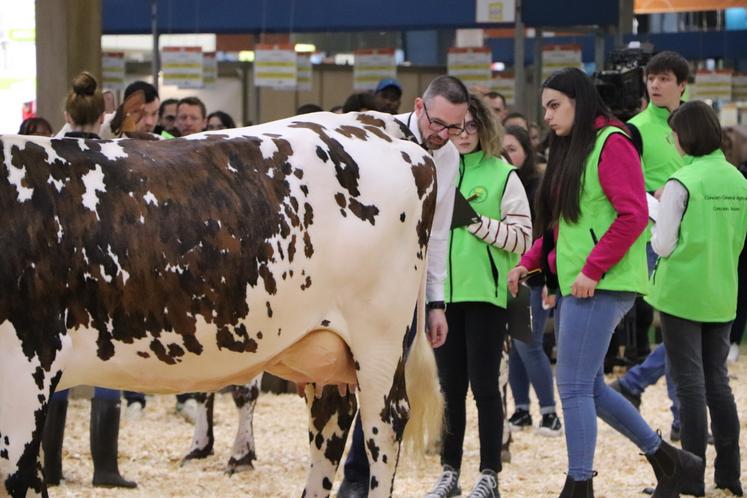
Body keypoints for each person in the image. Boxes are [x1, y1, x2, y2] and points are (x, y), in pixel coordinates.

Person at [507, 67, 702, 497]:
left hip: (602, 282)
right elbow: (565, 225)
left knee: (574, 386)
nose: (548, 117)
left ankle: (580, 483)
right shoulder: (576, 148)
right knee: (589, 387)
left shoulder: (611, 142)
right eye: (545, 109)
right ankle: (669, 461)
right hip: (584, 280)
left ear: (580, 100)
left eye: (555, 106)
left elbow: (633, 214)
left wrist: (593, 269)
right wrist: (529, 261)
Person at [337, 75, 469, 498]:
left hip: (401, 287)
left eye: (454, 127)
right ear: (418, 106)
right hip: (347, 280)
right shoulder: (372, 132)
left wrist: (435, 302)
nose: (442, 134)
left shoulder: (448, 157)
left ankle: (359, 478)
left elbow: (440, 232)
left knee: (384, 385)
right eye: (437, 123)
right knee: (334, 379)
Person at [424, 94, 531, 498]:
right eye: (456, 126)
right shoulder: (436, 170)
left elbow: (522, 237)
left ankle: (489, 474)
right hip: (443, 299)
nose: (463, 134)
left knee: (485, 387)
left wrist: (475, 223)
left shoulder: (504, 174)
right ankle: (448, 472)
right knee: (448, 389)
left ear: (484, 127)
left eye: (471, 126)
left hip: (487, 296)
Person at [645, 101, 746, 497]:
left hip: (682, 293)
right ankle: (730, 477)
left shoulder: (681, 181)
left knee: (689, 387)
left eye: (673, 134)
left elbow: (664, 244)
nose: (672, 140)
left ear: (684, 137)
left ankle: (690, 480)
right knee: (718, 384)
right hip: (722, 290)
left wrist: (656, 214)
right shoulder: (738, 180)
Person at [42, 71, 137, 489]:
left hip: (55, 269)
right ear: (103, 115)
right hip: (104, 267)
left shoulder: (44, 153)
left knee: (53, 365)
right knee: (106, 361)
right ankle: (105, 467)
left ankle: (53, 467)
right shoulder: (114, 155)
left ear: (65, 113)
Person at [608, 50, 691, 440]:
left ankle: (636, 383)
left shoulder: (697, 122)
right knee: (679, 325)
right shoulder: (636, 128)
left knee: (681, 329)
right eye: (651, 78)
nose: (655, 85)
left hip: (697, 237)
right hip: (655, 238)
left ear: (682, 85)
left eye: (664, 79)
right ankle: (681, 416)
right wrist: (655, 196)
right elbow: (624, 187)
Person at [502, 125, 562, 437]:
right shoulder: (498, 182)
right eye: (501, 149)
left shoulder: (539, 186)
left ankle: (550, 412)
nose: (506, 155)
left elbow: (548, 235)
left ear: (526, 151)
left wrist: (549, 281)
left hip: (535, 275)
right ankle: (522, 409)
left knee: (529, 343)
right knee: (515, 346)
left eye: (512, 148)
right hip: (508, 273)